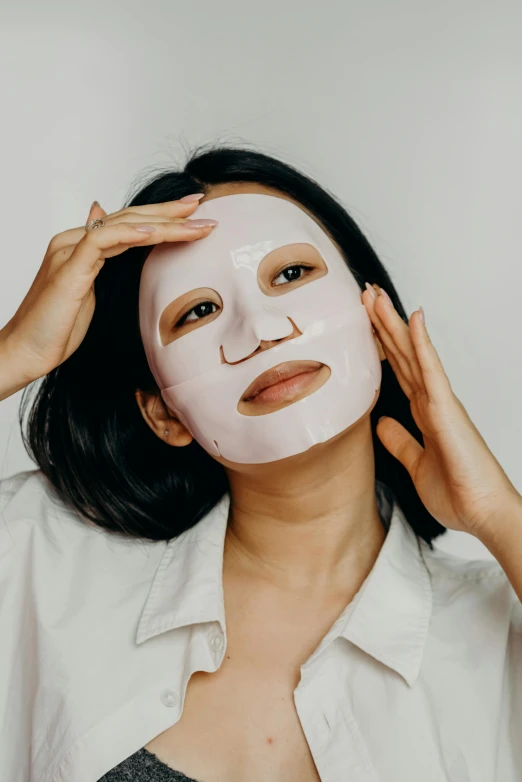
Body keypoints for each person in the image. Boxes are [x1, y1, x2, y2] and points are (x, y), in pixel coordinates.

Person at [0, 147, 521, 782]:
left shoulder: (498, 635)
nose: (260, 328)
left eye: (291, 273)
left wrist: (499, 515)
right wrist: (15, 354)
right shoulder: (38, 556)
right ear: (164, 413)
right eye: (199, 310)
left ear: (375, 323)